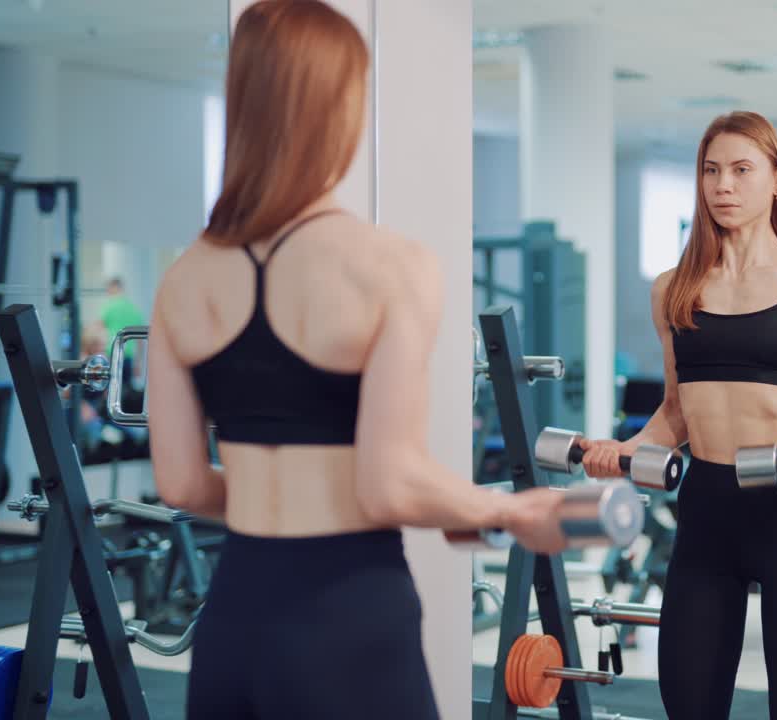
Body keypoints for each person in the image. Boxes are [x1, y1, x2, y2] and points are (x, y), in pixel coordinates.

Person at [144, 2, 567, 718]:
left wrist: (271, 499)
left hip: (234, 620)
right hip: (346, 616)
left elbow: (181, 484)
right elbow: (387, 485)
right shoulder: (390, 267)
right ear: (339, 104)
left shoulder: (185, 278)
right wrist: (508, 510)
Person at [579, 111, 777, 719]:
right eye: (711, 171)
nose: (723, 186)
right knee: (689, 703)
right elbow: (676, 411)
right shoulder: (674, 289)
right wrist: (623, 450)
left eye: (740, 170)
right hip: (705, 514)